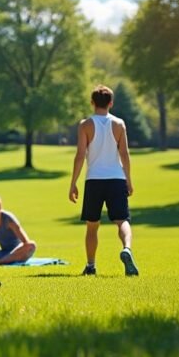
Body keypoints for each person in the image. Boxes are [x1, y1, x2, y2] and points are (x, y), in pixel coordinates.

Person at [69, 85, 139, 276]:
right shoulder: (119, 124)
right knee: (122, 220)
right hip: (117, 178)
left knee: (92, 225)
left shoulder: (85, 125)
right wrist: (129, 180)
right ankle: (127, 249)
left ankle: (91, 266)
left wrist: (73, 183)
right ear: (111, 103)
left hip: (94, 180)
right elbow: (124, 154)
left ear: (92, 103)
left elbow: (80, 155)